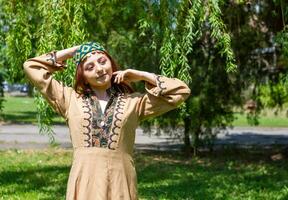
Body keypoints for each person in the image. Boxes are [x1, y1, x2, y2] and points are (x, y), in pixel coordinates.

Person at [23, 42, 191, 200]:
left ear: (111, 63)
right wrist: (74, 51)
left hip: (120, 181)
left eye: (102, 61)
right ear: (84, 76)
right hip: (84, 182)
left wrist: (140, 75)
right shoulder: (69, 100)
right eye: (90, 67)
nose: (99, 69)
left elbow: (181, 91)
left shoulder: (134, 103)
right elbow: (31, 67)